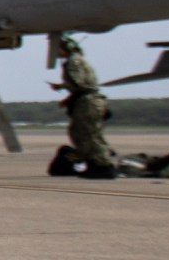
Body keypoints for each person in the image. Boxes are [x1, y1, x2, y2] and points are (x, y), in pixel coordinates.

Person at [51, 33, 119, 179]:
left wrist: (64, 87)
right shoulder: (78, 61)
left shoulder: (73, 62)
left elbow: (78, 84)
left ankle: (103, 166)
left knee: (89, 135)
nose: (56, 52)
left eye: (59, 48)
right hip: (89, 100)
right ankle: (94, 164)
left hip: (87, 102)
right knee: (80, 133)